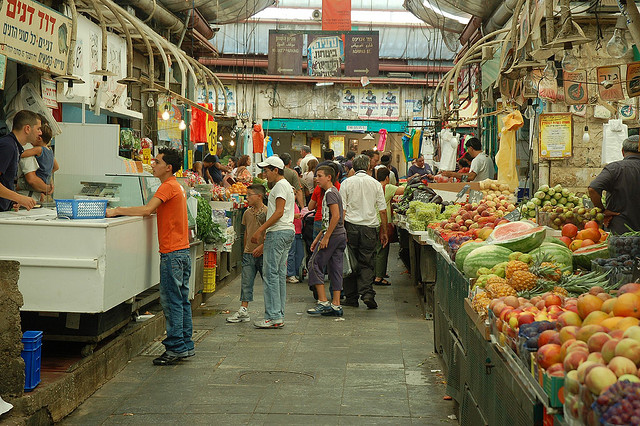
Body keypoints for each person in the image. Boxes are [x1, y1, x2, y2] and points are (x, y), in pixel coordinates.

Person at [106, 148, 194, 365]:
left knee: (172, 301)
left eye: (157, 162)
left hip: (172, 253)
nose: (153, 164)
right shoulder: (177, 186)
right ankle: (185, 345)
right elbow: (155, 210)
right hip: (181, 251)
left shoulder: (167, 186)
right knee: (181, 301)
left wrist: (117, 211)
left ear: (168, 167)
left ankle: (175, 348)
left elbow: (147, 210)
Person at [251, 156, 295, 328]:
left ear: (276, 170)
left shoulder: (280, 186)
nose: (265, 174)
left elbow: (278, 212)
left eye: (267, 171)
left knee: (270, 275)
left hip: (278, 232)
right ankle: (278, 314)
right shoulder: (285, 186)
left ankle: (272, 316)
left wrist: (260, 230)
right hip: (285, 232)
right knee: (277, 275)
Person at [339, 154, 388, 309]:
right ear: (368, 167)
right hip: (369, 228)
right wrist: (384, 231)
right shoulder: (375, 184)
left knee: (350, 261)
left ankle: (351, 297)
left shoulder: (346, 183)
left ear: (354, 166)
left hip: (350, 226)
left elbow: (343, 210)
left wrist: (341, 230)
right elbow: (382, 210)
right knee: (367, 262)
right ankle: (367, 293)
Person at [306, 166, 347, 317]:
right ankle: (336, 304)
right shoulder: (333, 192)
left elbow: (336, 216)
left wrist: (326, 237)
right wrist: (318, 238)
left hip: (334, 235)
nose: (317, 179)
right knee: (335, 268)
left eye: (320, 176)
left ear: (329, 177)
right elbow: (328, 219)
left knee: (314, 263)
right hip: (339, 234)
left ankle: (323, 302)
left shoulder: (330, 194)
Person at [226, 184, 268, 323]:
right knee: (246, 282)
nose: (247, 198)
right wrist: (246, 249)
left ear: (259, 196)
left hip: (263, 253)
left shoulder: (268, 212)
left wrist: (262, 247)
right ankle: (243, 309)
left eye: (250, 195)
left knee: (268, 282)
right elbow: (246, 233)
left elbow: (269, 233)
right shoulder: (247, 213)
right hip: (249, 253)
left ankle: (271, 310)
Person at [588, 135, 640, 234]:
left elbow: (593, 189)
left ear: (623, 151)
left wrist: (602, 210)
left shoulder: (615, 168)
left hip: (620, 233)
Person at [0, 110, 41, 211]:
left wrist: (12, 200)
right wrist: (19, 197)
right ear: (27, 129)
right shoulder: (7, 146)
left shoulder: (16, 147)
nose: (40, 133)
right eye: (38, 129)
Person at [373, 167, 404, 286]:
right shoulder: (388, 187)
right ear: (387, 177)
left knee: (375, 249)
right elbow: (403, 190)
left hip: (372, 220)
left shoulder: (374, 186)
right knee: (382, 249)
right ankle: (379, 277)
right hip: (382, 221)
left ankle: (375, 273)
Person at [18, 120, 58, 202]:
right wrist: (47, 171)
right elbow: (56, 167)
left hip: (37, 180)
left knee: (20, 185)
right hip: (45, 180)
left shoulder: (39, 149)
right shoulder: (50, 151)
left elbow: (23, 154)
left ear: (39, 138)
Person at [286, 202, 304, 283]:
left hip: (298, 232)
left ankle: (296, 271)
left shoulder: (295, 204)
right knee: (291, 254)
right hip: (291, 231)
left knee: (300, 254)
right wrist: (294, 216)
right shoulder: (286, 203)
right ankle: (290, 274)